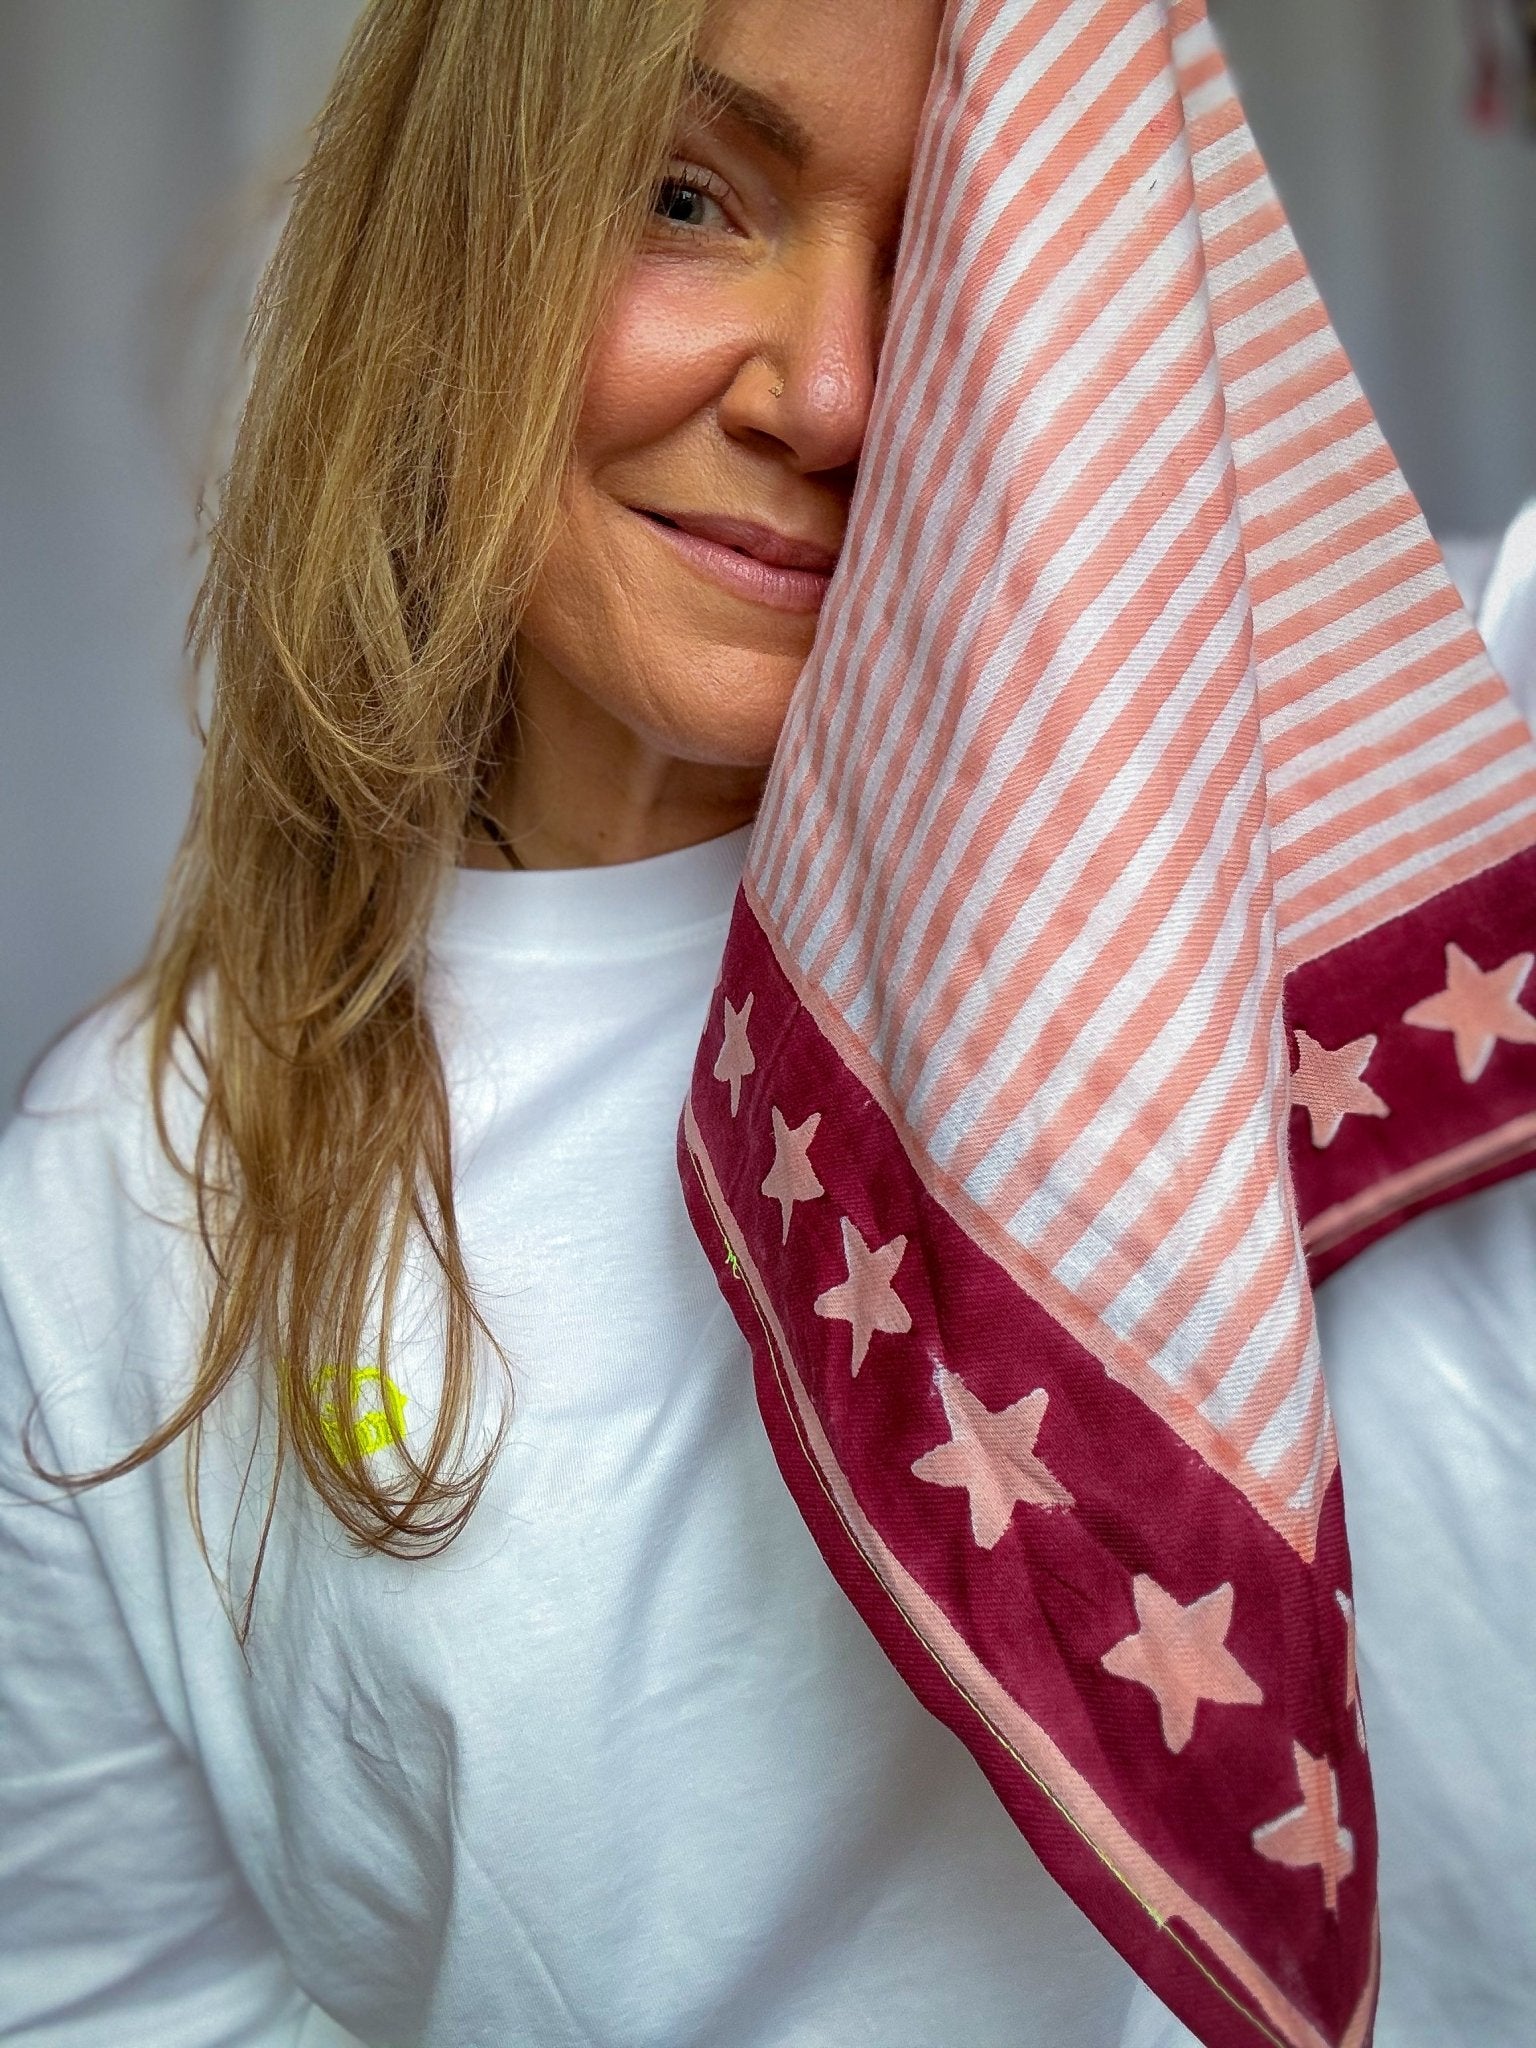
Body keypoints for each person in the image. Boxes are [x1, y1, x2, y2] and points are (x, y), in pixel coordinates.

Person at [1, 2, 1533, 2044]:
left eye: (961, 254)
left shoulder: (1404, 800)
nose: (831, 393)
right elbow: (136, 1999)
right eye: (689, 197)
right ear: (451, 243)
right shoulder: (120, 1201)